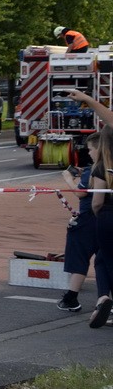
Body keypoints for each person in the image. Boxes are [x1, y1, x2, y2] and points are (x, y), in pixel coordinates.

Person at [66, 89, 113, 327]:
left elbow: (94, 200)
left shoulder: (103, 166)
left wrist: (87, 100)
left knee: (104, 260)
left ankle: (104, 297)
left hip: (106, 215)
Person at [56, 133, 108, 313]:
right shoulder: (105, 168)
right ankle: (104, 298)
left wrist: (68, 179)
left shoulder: (95, 169)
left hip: (89, 217)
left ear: (99, 149)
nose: (89, 153)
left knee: (78, 255)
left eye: (91, 149)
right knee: (105, 259)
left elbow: (81, 193)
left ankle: (71, 296)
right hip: (107, 218)